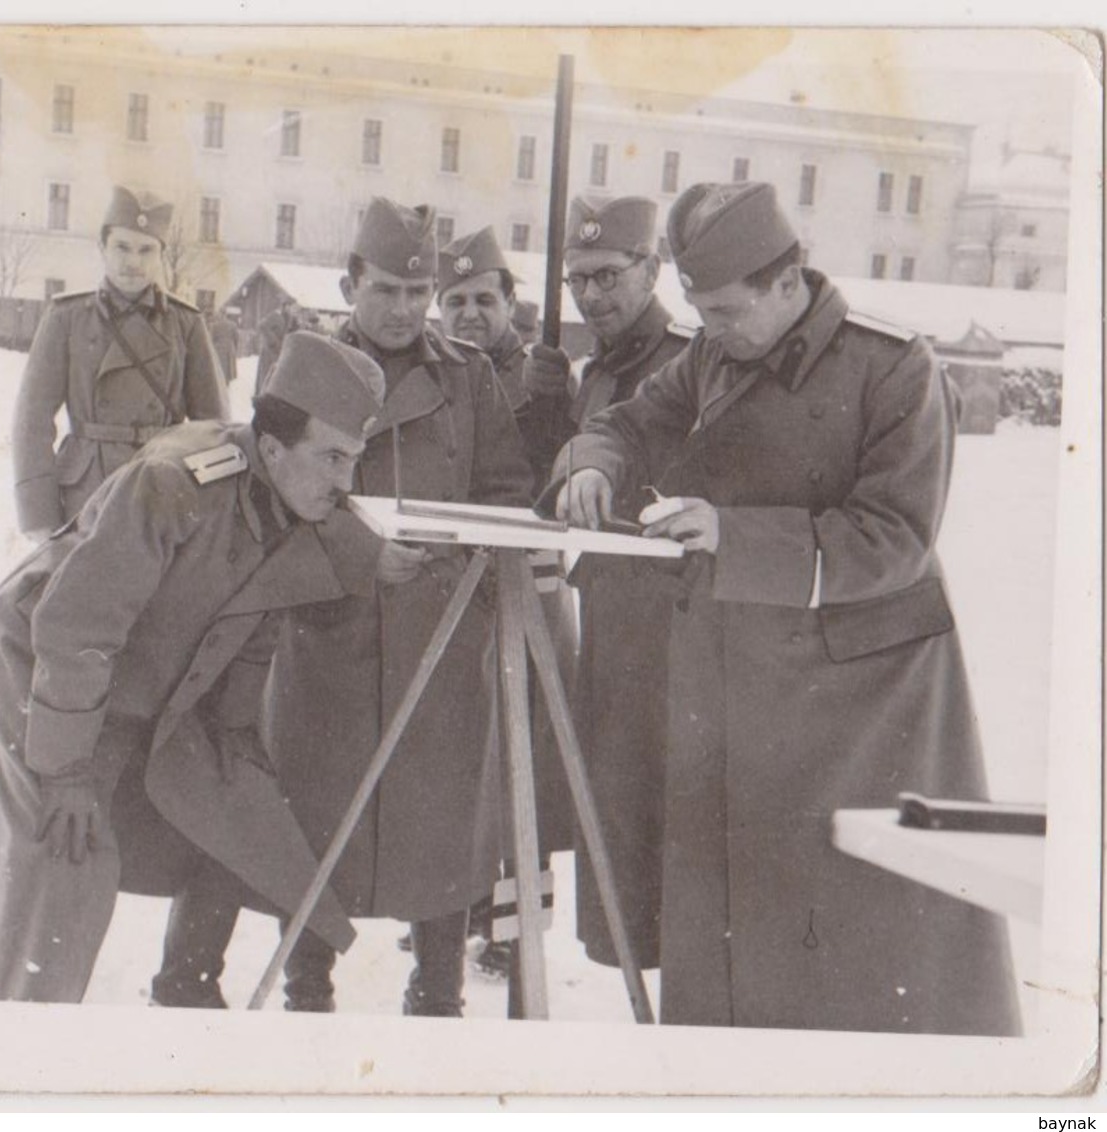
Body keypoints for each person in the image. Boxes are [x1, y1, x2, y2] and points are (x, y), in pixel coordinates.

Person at [549, 181, 1020, 1034]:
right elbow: (627, 421)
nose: (712, 329)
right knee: (743, 930)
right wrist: (592, 463)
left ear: (787, 279)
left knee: (863, 940)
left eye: (725, 309)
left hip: (865, 703)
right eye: (699, 309)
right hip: (744, 686)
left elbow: (892, 538)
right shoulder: (717, 355)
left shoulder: (893, 365)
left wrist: (732, 534)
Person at [0, 332, 386, 1004]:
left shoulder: (291, 494)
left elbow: (248, 621)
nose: (345, 483)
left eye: (354, 460)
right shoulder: (175, 483)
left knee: (234, 820)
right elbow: (76, 627)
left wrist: (233, 749)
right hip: (43, 663)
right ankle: (25, 1033)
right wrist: (65, 772)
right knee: (66, 857)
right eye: (331, 459)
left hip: (137, 674)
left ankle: (187, 991)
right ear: (270, 448)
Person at [265, 197, 534, 1016]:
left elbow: (504, 493)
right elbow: (270, 489)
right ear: (350, 284)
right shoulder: (299, 363)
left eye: (418, 293)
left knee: (440, 819)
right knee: (317, 816)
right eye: (384, 290)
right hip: (329, 622)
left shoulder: (467, 375)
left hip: (438, 632)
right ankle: (306, 987)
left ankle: (438, 990)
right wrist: (357, 558)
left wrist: (471, 595)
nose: (404, 311)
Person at [521, 196, 694, 979]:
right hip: (612, 614)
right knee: (615, 802)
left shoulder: (686, 358)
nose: (590, 296)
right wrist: (545, 407)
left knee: (666, 810)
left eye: (607, 276)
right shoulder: (597, 369)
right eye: (576, 280)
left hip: (677, 621)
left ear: (652, 270)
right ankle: (632, 960)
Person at [434, 226, 577, 986]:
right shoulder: (438, 376)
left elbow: (559, 470)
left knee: (530, 759)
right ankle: (450, 908)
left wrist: (556, 406)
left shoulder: (543, 379)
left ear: (511, 306)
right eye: (452, 301)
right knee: (459, 753)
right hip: (459, 592)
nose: (467, 315)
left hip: (532, 589)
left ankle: (514, 931)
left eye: (483, 300)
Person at [11, 185, 226, 540]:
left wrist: (210, 515)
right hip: (85, 493)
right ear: (102, 248)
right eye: (122, 247)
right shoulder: (67, 317)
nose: (133, 261)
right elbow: (31, 420)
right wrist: (39, 515)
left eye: (146, 250)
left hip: (161, 490)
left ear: (161, 254)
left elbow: (213, 427)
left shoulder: (185, 323)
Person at [254, 298, 301, 391]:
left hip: (278, 352)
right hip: (269, 352)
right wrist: (273, 341)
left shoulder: (288, 319)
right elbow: (262, 326)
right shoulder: (275, 316)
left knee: (274, 377)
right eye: (291, 307)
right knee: (266, 376)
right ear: (285, 306)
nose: (292, 310)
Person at [208, 305, 241, 385]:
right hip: (229, 348)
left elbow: (211, 339)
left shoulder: (214, 325)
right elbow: (236, 338)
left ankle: (219, 383)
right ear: (226, 314)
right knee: (228, 367)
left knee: (219, 366)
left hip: (218, 348)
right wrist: (235, 348)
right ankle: (226, 382)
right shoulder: (233, 325)